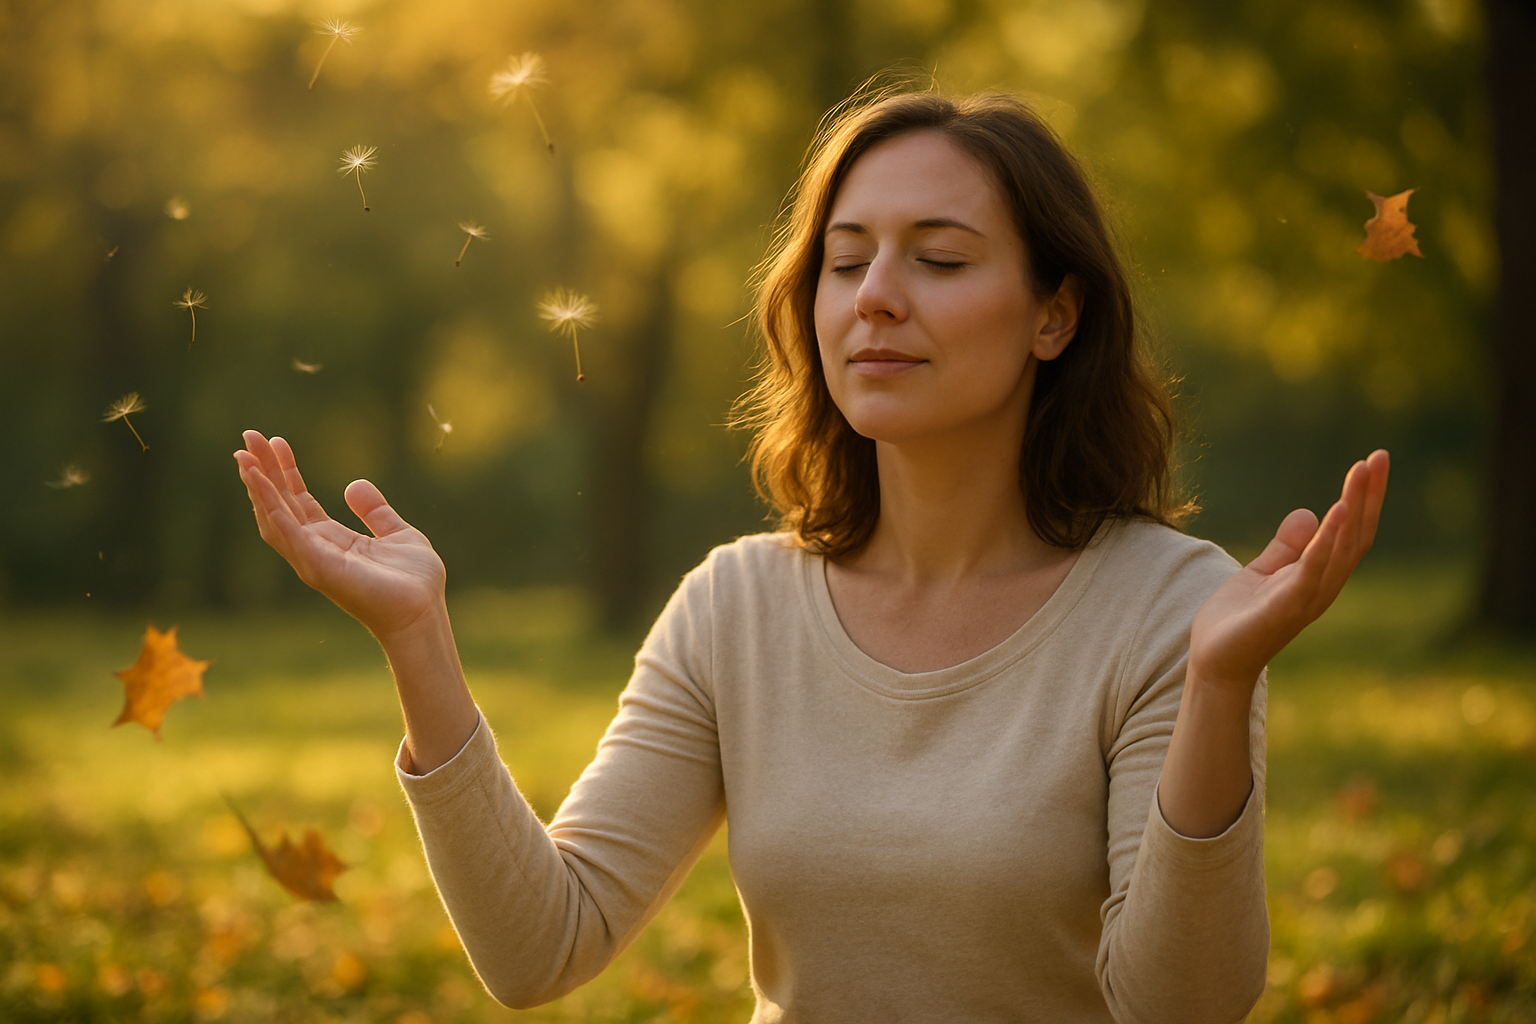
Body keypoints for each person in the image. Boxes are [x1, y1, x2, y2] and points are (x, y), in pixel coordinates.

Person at [234, 90, 1389, 1023]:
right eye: (846, 262)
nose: (877, 297)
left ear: (1055, 315)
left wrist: (1221, 679)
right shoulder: (735, 605)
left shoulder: (1172, 608)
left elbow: (1182, 1005)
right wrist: (417, 641)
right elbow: (544, 944)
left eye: (939, 260)